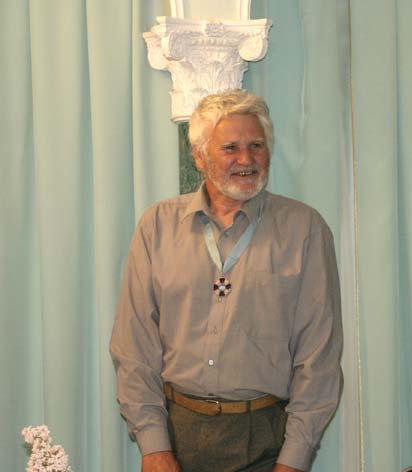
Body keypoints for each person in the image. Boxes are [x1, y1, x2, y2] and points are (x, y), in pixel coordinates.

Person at [110, 90, 343, 472]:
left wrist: (295, 459)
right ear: (200, 156)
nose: (246, 159)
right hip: (175, 436)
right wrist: (153, 445)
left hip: (267, 440)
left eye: (256, 146)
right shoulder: (158, 227)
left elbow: (319, 356)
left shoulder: (304, 229)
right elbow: (133, 345)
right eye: (231, 148)